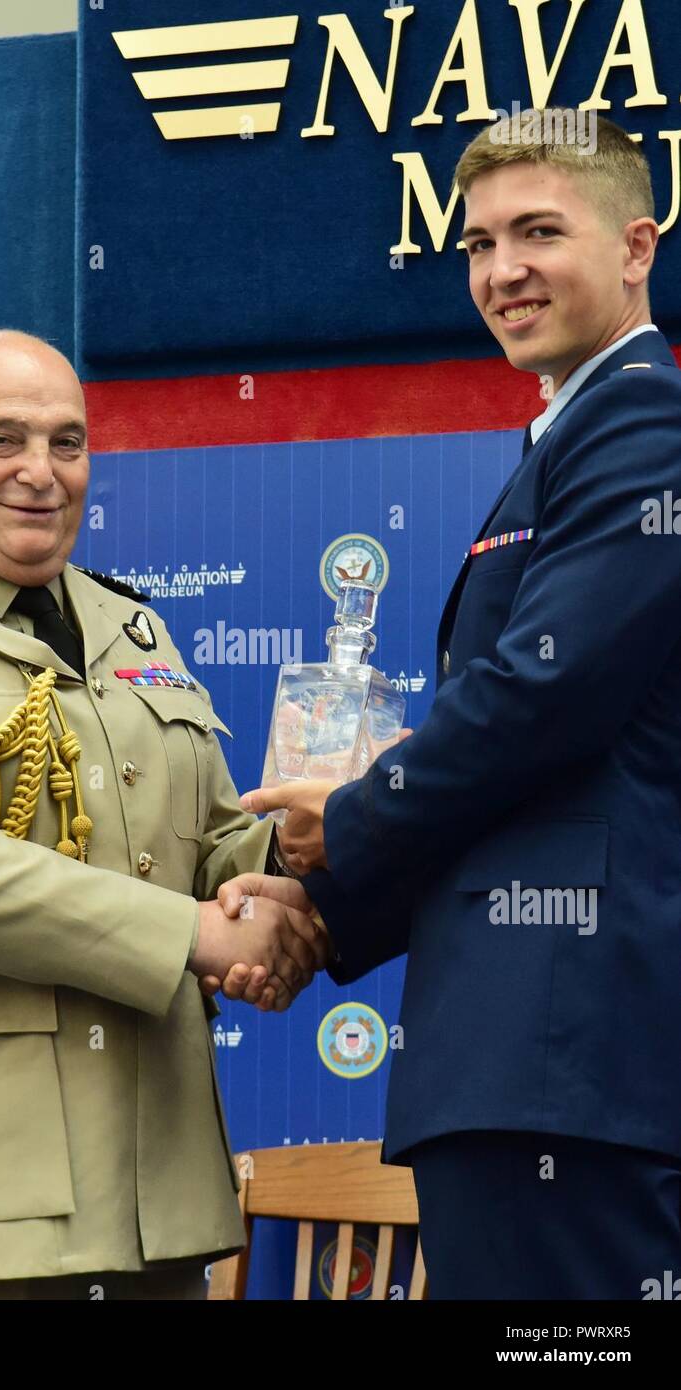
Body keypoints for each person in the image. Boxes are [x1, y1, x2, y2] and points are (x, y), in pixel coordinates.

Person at [214, 111, 681, 1299]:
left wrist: (350, 828)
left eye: (537, 232)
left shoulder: (641, 423)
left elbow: (538, 697)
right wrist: (327, 909)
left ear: (635, 246)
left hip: (561, 1063)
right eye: (476, 244)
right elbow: (524, 747)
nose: (500, 270)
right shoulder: (570, 431)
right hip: (525, 1067)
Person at [0, 329, 327, 1300]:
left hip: (157, 1196)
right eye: (1, 439)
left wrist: (317, 850)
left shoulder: (134, 626)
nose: (40, 473)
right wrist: (198, 935)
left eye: (67, 442)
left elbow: (213, 844)